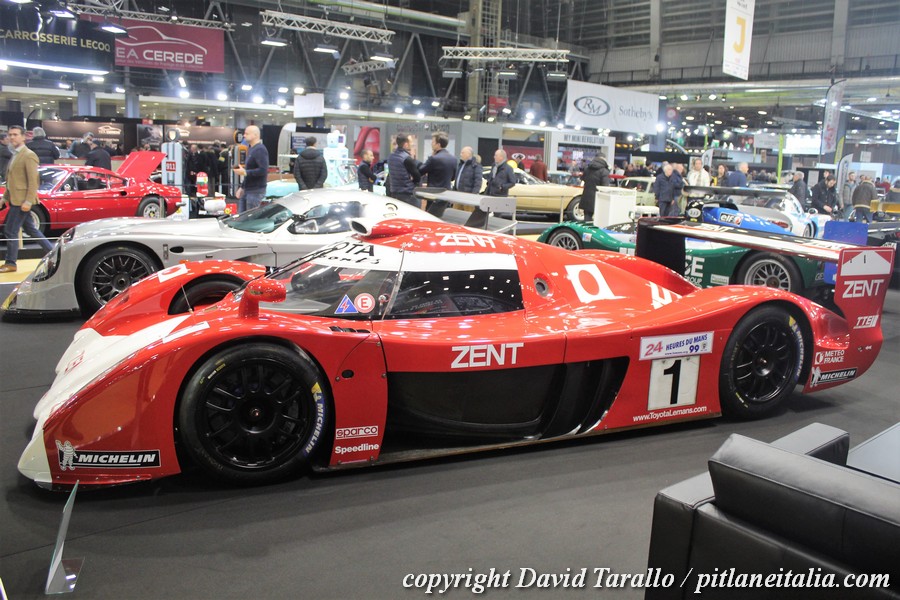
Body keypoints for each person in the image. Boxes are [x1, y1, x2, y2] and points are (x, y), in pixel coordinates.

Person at [1, 126, 54, 273]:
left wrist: (28, 201)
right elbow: (12, 180)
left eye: (15, 134)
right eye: (10, 135)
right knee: (31, 230)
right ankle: (54, 254)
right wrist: (5, 198)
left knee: (10, 231)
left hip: (22, 201)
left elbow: (33, 181)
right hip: (17, 199)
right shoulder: (16, 154)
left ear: (24, 137)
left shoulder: (28, 155)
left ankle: (11, 263)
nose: (12, 137)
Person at [232, 125, 269, 213]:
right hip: (248, 190)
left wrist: (245, 172)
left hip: (255, 192)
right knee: (242, 217)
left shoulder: (260, 149)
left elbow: (263, 170)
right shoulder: (251, 148)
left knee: (251, 217)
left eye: (247, 133)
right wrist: (242, 187)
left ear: (255, 135)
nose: (244, 135)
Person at [387, 134, 421, 206]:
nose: (412, 144)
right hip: (407, 194)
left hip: (394, 192)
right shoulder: (406, 158)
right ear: (406, 144)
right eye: (411, 142)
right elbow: (417, 177)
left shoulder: (390, 157)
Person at [579, 154, 610, 223]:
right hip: (599, 198)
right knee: (599, 221)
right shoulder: (604, 171)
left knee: (587, 219)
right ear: (604, 159)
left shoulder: (587, 168)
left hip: (586, 196)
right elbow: (605, 186)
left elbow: (583, 179)